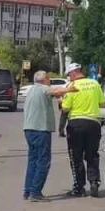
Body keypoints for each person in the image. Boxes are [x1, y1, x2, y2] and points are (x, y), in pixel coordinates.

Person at [54, 62, 105, 197]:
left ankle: (79, 187)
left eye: (69, 75)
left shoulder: (72, 86)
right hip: (93, 123)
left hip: (76, 124)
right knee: (92, 155)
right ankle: (94, 182)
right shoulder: (95, 84)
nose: (69, 77)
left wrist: (60, 101)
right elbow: (102, 103)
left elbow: (66, 108)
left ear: (73, 73)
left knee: (76, 156)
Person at [22, 70, 65, 202]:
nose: (49, 80)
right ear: (44, 80)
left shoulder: (32, 90)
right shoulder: (43, 88)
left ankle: (28, 190)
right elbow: (55, 91)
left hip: (29, 129)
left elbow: (52, 95)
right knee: (43, 161)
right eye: (48, 78)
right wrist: (70, 89)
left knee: (33, 160)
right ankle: (35, 192)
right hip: (40, 129)